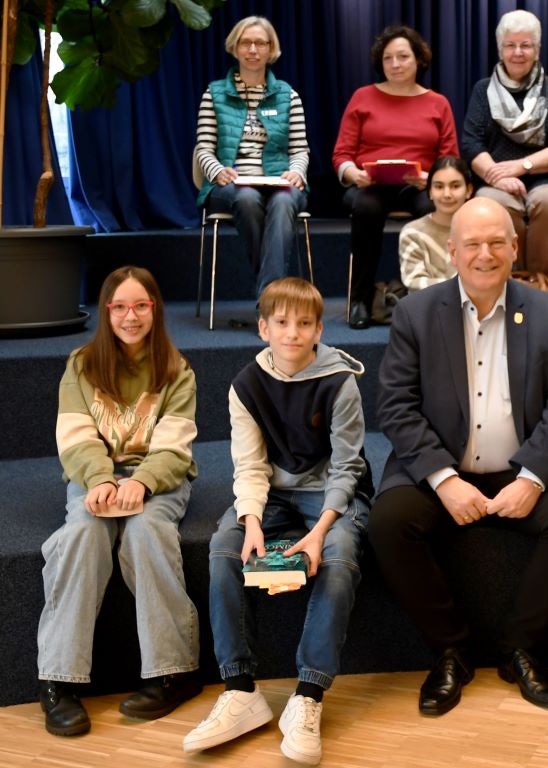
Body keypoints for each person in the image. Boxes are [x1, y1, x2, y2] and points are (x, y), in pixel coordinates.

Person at [368, 197, 548, 716]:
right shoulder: (416, 313)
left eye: (497, 242)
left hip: (524, 469)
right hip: (442, 470)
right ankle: (451, 650)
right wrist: (444, 480)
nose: (485, 254)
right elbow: (396, 407)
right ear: (452, 251)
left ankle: (520, 649)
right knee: (388, 522)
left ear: (515, 248)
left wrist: (534, 477)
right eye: (472, 243)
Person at [183, 278, 373, 765]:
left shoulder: (340, 381)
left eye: (304, 323)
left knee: (341, 555)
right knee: (225, 547)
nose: (293, 333)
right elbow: (249, 464)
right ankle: (240, 689)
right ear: (263, 327)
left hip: (329, 490)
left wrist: (318, 531)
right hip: (272, 490)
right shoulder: (246, 385)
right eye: (282, 323)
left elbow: (349, 465)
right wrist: (250, 522)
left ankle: (308, 696)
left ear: (318, 328)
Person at [38, 266, 201, 736]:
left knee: (148, 533)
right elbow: (74, 436)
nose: (131, 316)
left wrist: (144, 482)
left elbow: (175, 445)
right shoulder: (82, 364)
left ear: (155, 309)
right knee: (84, 535)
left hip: (158, 480)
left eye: (141, 306)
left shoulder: (177, 369)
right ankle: (57, 679)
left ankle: (174, 671)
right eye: (120, 307)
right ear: (107, 312)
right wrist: (100, 479)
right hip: (95, 478)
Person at [333, 25, 459, 328]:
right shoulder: (362, 97)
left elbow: (450, 158)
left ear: (418, 60)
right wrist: (354, 173)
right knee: (365, 207)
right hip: (370, 184)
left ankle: (438, 297)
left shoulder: (437, 102)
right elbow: (342, 155)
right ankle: (361, 300)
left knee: (435, 207)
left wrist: (430, 178)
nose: (395, 64)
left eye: (403, 57)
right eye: (388, 58)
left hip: (419, 185)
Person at [195, 16, 309, 300]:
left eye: (261, 43)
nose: (253, 49)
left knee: (284, 201)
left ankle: (267, 297)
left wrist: (297, 172)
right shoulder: (214, 93)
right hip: (231, 183)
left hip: (279, 183)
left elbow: (299, 149)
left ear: (272, 49)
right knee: (246, 198)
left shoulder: (288, 95)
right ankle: (273, 295)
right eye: (246, 42)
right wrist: (217, 171)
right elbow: (204, 148)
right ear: (235, 47)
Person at [462, 9, 548, 277]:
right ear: (500, 50)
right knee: (498, 204)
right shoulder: (482, 90)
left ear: (537, 50)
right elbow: (471, 143)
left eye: (525, 45)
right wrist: (496, 177)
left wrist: (521, 167)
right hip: (495, 182)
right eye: (510, 45)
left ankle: (542, 282)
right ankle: (513, 281)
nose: (518, 52)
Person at [398, 156, 473, 291]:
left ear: (468, 190)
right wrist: (466, 287)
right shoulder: (413, 232)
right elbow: (414, 281)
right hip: (426, 308)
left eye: (455, 186)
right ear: (430, 192)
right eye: (439, 187)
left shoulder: (482, 230)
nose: (447, 194)